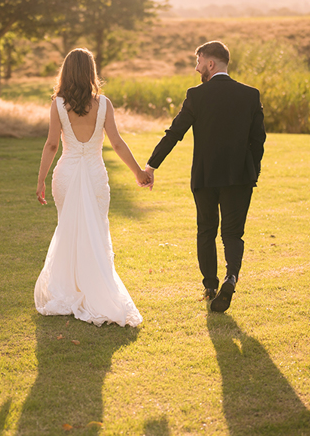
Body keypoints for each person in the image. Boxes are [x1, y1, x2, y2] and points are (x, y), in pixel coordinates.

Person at [144, 41, 265, 313]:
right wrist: (251, 170)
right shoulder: (250, 94)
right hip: (239, 178)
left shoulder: (196, 95)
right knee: (233, 234)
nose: (196, 67)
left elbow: (175, 133)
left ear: (210, 63)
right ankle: (231, 278)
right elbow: (258, 139)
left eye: (198, 61)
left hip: (205, 176)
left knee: (206, 231)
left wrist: (152, 165)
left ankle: (211, 287)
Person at [35, 48, 148, 327]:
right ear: (91, 72)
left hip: (68, 173)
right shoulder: (104, 104)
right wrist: (139, 173)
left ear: (66, 71)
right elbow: (117, 142)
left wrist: (40, 179)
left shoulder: (58, 104)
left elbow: (52, 144)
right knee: (96, 231)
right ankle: (94, 291)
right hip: (96, 174)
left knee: (69, 229)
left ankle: (69, 291)